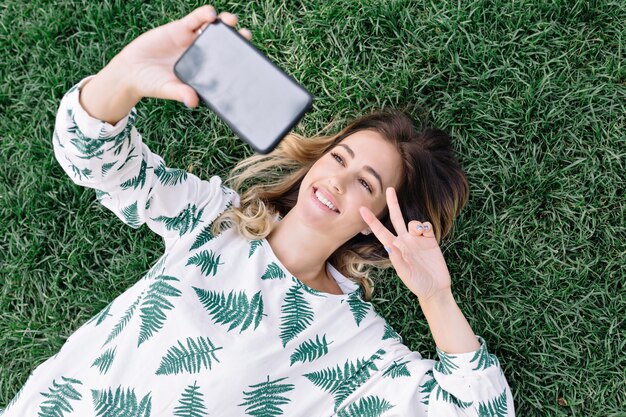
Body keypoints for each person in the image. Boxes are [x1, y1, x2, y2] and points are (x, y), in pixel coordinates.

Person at [1, 5, 515, 417]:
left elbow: (478, 409)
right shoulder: (213, 221)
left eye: (365, 182)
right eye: (339, 157)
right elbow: (93, 157)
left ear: (382, 218)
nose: (336, 178)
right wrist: (127, 75)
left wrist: (436, 296)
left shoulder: (353, 344)